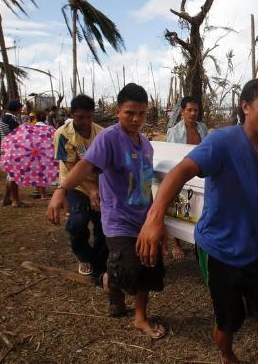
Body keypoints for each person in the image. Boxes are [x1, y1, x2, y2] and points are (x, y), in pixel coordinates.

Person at [137, 78, 258, 364]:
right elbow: (180, 171)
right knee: (228, 320)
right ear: (245, 106)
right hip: (219, 251)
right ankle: (226, 354)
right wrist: (154, 217)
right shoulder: (222, 141)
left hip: (256, 254)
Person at [48, 84, 166, 339]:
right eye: (129, 113)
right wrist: (61, 190)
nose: (136, 119)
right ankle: (110, 280)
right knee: (129, 271)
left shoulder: (146, 145)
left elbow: (146, 184)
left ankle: (140, 317)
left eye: (141, 113)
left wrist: (156, 218)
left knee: (147, 267)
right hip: (118, 220)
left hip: (143, 220)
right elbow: (85, 165)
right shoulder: (108, 138)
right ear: (118, 111)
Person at [53, 95, 105, 277]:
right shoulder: (62, 134)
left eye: (89, 117)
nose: (85, 122)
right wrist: (90, 190)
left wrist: (98, 189)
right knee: (77, 222)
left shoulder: (101, 134)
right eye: (80, 117)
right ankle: (84, 256)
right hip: (74, 184)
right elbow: (71, 167)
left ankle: (100, 260)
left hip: (98, 184)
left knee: (102, 223)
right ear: (72, 114)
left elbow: (104, 165)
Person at [165, 96, 209, 261]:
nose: (192, 113)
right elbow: (172, 156)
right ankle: (177, 243)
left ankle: (200, 240)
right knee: (178, 207)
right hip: (181, 172)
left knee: (198, 208)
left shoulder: (202, 128)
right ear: (182, 112)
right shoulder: (174, 132)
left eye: (195, 110)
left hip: (201, 172)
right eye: (189, 110)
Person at [0, 100, 27, 207]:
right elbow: (16, 135)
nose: (21, 109)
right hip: (12, 149)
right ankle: (15, 200)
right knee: (13, 175)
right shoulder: (11, 119)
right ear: (17, 109)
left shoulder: (5, 118)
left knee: (10, 175)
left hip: (7, 148)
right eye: (20, 108)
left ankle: (6, 198)